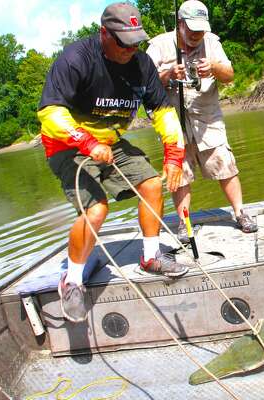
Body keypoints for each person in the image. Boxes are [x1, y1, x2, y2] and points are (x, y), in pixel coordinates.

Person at [37, 2, 190, 323]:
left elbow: (163, 112)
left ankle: (150, 258)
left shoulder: (142, 64)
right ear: (104, 33)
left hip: (110, 142)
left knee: (151, 183)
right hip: (67, 144)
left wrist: (174, 156)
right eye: (123, 41)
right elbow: (50, 113)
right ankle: (73, 280)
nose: (130, 49)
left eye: (135, 41)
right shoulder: (76, 59)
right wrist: (86, 143)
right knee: (97, 209)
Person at [146, 0, 257, 244]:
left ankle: (240, 213)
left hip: (208, 119)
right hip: (173, 123)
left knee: (224, 164)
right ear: (180, 24)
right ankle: (185, 224)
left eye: (201, 30)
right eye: (192, 29)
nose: (197, 35)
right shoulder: (158, 45)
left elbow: (229, 75)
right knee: (180, 174)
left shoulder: (212, 42)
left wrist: (215, 68)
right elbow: (144, 84)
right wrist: (166, 75)